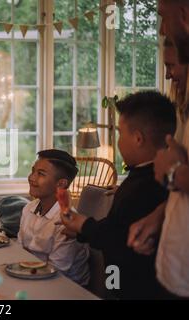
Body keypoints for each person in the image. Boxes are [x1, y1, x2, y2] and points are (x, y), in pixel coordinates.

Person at [60, 91, 176, 299]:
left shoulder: (150, 185)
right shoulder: (138, 177)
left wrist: (83, 225)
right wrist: (81, 230)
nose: (118, 141)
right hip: (117, 281)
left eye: (120, 133)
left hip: (136, 289)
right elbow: (117, 224)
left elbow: (122, 238)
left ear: (138, 138)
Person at [128, 0, 189, 298]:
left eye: (164, 17)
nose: (163, 27)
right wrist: (160, 215)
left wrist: (174, 173)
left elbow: (179, 175)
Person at [18, 149, 90, 286]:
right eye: (33, 171)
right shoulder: (28, 209)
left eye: (40, 174)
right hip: (33, 276)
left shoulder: (67, 222)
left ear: (61, 184)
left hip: (65, 288)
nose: (31, 177)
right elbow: (20, 250)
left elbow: (56, 270)